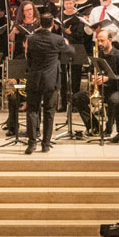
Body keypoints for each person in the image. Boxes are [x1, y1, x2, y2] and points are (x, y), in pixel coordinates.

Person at [25, 13, 74, 154]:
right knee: (49, 112)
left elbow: (29, 58)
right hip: (51, 80)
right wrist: (66, 43)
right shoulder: (58, 39)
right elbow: (71, 52)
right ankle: (45, 144)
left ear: (40, 23)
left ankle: (31, 144)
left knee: (32, 111)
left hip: (34, 78)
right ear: (52, 24)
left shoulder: (31, 38)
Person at [73, 30, 119, 139]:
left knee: (114, 101)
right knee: (77, 97)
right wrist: (92, 78)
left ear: (110, 40)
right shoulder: (98, 55)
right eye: (98, 41)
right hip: (101, 89)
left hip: (117, 89)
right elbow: (91, 72)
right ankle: (94, 127)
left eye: (102, 41)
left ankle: (110, 130)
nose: (99, 43)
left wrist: (108, 79)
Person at [55, 0, 86, 111]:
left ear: (74, 3)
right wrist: (57, 28)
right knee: (63, 77)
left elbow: (81, 35)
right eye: (66, 3)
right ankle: (64, 104)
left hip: (76, 47)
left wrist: (70, 33)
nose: (68, 6)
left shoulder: (79, 16)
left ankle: (75, 104)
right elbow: (56, 34)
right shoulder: (59, 16)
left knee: (76, 77)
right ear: (63, 4)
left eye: (70, 3)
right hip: (63, 48)